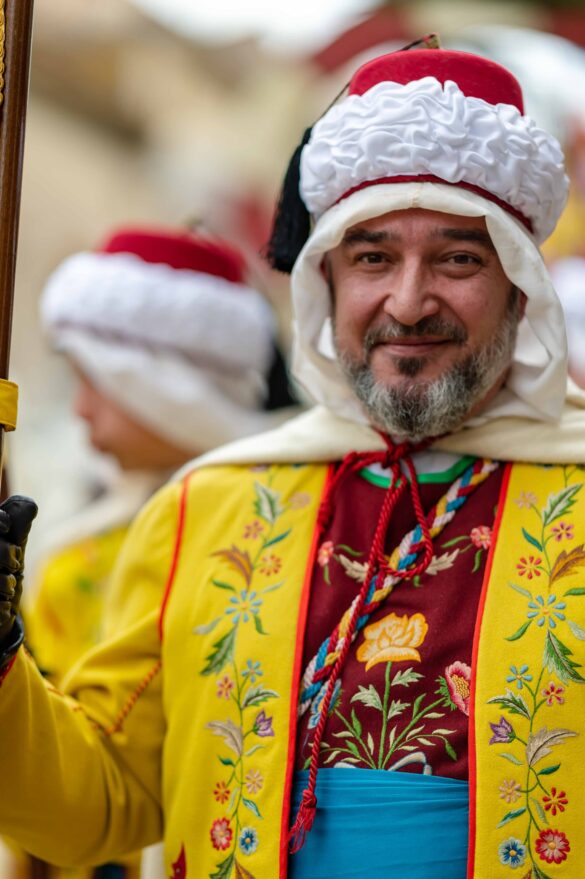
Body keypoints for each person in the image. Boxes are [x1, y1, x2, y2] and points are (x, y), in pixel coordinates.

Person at [0, 43, 584, 879]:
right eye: (372, 257)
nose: (407, 301)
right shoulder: (208, 507)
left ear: (518, 288)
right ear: (325, 284)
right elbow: (96, 807)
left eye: (456, 258)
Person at [17, 225, 299, 879]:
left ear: (162, 385)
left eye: (94, 379)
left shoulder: (275, 521)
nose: (79, 409)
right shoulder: (81, 542)